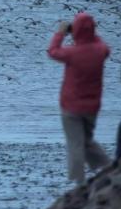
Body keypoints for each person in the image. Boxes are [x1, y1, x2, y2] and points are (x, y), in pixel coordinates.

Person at [47, 12, 111, 185]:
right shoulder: (100, 51)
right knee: (86, 141)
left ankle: (78, 182)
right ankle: (109, 167)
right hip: (92, 106)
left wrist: (61, 33)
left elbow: (52, 52)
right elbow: (102, 45)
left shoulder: (72, 53)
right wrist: (89, 33)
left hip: (71, 106)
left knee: (75, 143)